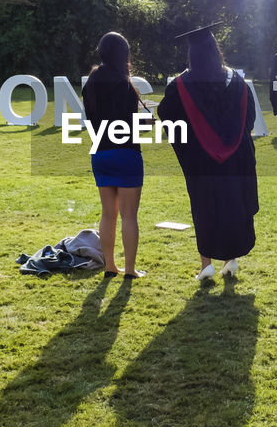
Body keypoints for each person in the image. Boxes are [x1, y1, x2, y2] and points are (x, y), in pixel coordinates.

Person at [158, 23, 259, 281]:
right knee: (231, 206)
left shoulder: (182, 84)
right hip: (235, 161)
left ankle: (206, 266)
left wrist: (191, 145)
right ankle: (231, 259)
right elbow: (249, 119)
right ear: (216, 50)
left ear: (192, 54)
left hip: (201, 162)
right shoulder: (236, 81)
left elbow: (167, 116)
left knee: (205, 208)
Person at [81, 32, 145, 277]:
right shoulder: (123, 82)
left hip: (100, 151)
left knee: (108, 214)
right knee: (129, 216)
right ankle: (130, 270)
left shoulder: (91, 82)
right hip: (126, 151)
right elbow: (127, 122)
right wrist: (144, 123)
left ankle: (110, 265)